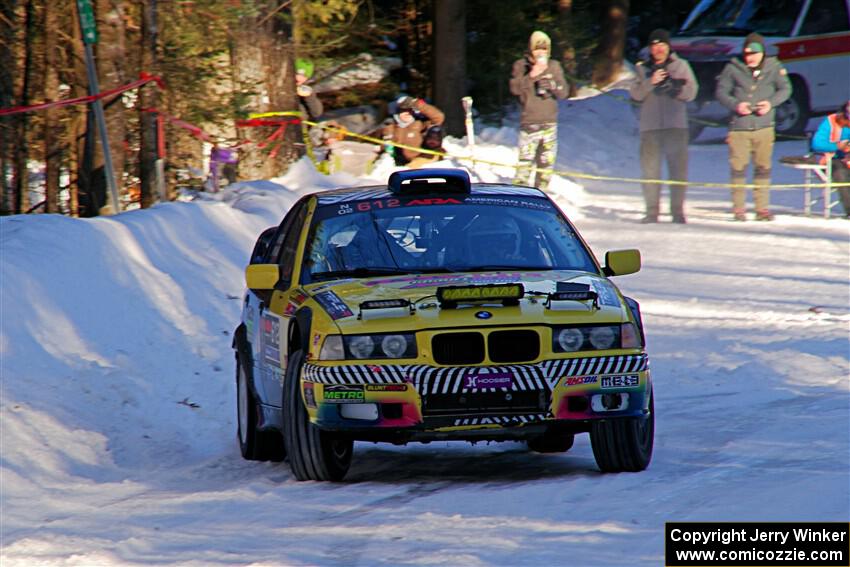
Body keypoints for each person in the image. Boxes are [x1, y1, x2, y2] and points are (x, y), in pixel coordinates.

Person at [716, 33, 792, 221]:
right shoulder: (732, 68)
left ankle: (762, 208)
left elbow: (786, 89)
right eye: (747, 53)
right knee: (738, 168)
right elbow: (721, 92)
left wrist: (770, 103)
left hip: (764, 126)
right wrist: (736, 105)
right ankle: (739, 208)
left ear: (762, 54)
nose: (750, 57)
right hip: (739, 127)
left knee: (763, 168)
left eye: (754, 54)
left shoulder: (774, 67)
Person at [630, 29, 698, 224]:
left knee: (678, 170)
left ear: (669, 47)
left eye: (662, 46)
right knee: (650, 171)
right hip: (650, 127)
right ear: (650, 48)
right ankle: (652, 211)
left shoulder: (681, 65)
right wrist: (650, 82)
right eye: (655, 46)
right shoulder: (642, 68)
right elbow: (635, 95)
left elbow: (691, 92)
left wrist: (675, 87)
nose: (658, 49)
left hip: (676, 126)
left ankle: (677, 211)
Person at [509, 30, 569, 190]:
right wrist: (533, 75)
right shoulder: (522, 66)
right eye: (537, 49)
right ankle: (519, 196)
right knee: (525, 163)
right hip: (530, 122)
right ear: (530, 50)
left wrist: (553, 86)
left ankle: (542, 195)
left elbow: (564, 92)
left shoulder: (554, 66)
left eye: (544, 49)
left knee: (546, 164)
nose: (541, 53)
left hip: (549, 122)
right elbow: (515, 88)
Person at [381, 95, 445, 168]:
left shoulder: (420, 124)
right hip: (401, 162)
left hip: (421, 159)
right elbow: (382, 144)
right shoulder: (391, 127)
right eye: (403, 111)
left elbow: (439, 117)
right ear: (397, 112)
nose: (407, 113)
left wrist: (417, 104)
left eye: (410, 110)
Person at [811, 100, 850, 218]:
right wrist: (837, 146)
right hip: (832, 159)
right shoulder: (831, 121)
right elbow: (817, 144)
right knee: (840, 172)